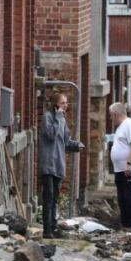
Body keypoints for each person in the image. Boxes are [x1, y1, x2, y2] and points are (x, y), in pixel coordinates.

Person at [40, 93, 83, 239]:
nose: (66, 105)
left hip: (58, 164)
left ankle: (53, 226)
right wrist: (58, 117)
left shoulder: (62, 119)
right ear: (56, 105)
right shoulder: (48, 117)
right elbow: (51, 134)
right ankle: (47, 230)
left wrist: (76, 145)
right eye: (63, 103)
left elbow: (65, 141)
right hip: (48, 164)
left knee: (55, 197)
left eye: (66, 102)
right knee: (49, 195)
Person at [109, 102, 131, 228]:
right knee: (122, 199)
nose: (110, 119)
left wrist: (129, 164)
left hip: (130, 169)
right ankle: (125, 225)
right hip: (120, 170)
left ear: (116, 114)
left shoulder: (130, 124)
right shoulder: (121, 127)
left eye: (111, 116)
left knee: (130, 198)